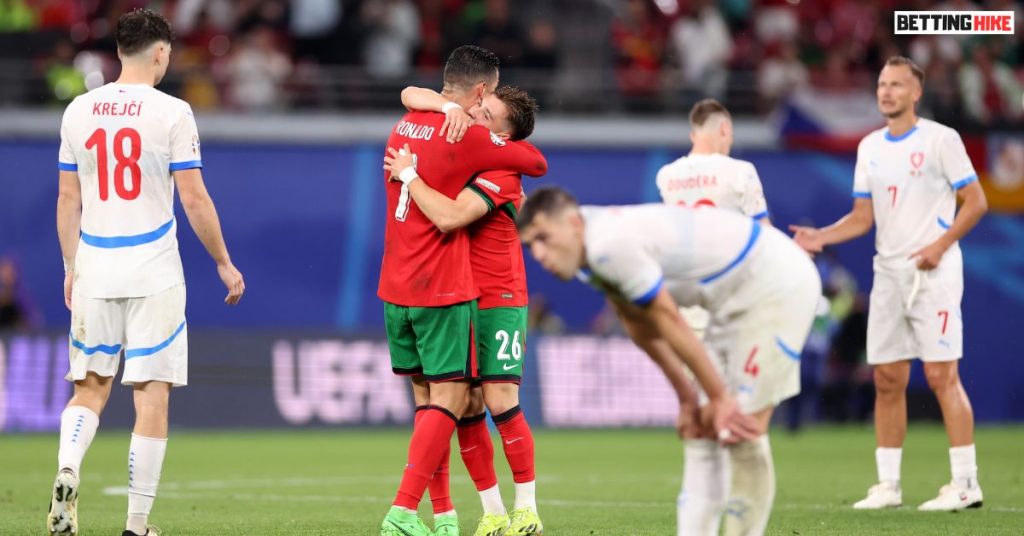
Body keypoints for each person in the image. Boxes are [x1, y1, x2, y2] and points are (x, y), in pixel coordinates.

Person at [517, 187, 821, 536]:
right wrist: (688, 399)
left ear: (572, 223)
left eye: (543, 238)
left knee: (738, 426)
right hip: (734, 300)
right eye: (530, 245)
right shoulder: (588, 253)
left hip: (778, 284)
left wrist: (719, 397)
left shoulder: (608, 246)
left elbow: (668, 319)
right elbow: (638, 324)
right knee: (703, 432)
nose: (538, 254)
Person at [50, 9, 245, 536]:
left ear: (118, 51)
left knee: (89, 387)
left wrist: (71, 266)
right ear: (161, 53)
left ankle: (69, 467)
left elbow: (68, 199)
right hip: (152, 268)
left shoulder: (78, 110)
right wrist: (223, 261)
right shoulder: (173, 112)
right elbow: (194, 197)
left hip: (95, 263)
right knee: (151, 394)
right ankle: (136, 526)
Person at [791, 56, 988, 512]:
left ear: (916, 93)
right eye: (882, 84)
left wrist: (940, 246)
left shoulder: (942, 139)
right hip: (889, 275)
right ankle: (888, 486)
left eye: (897, 85)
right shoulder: (869, 147)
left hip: (934, 272)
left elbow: (975, 202)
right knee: (886, 379)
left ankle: (965, 483)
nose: (886, 91)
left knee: (942, 375)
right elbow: (863, 217)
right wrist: (820, 236)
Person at [378, 45, 548, 536]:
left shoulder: (499, 169)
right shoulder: (464, 139)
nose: (477, 111)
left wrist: (409, 174)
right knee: (461, 405)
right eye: (481, 103)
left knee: (497, 401)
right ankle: (486, 514)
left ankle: (526, 510)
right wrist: (444, 105)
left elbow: (456, 213)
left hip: (496, 296)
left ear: (503, 130)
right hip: (453, 292)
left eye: (487, 112)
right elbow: (412, 91)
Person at [654, 98, 776, 534]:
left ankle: (702, 503)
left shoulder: (667, 176)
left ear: (693, 133)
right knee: (742, 409)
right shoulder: (741, 173)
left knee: (702, 408)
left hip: (688, 310)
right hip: (733, 305)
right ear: (724, 132)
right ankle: (739, 510)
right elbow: (763, 235)